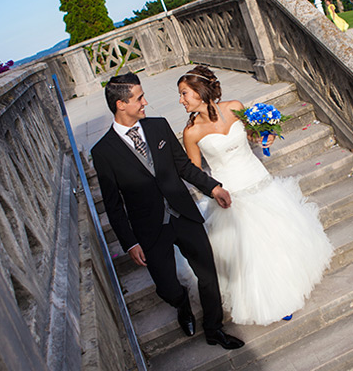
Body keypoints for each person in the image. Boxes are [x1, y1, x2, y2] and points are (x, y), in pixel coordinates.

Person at [90, 72, 244, 350]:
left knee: (208, 275)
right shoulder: (103, 151)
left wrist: (214, 188)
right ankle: (181, 303)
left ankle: (214, 328)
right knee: (167, 287)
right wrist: (130, 242)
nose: (145, 102)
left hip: (184, 215)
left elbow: (183, 167)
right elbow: (113, 204)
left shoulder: (159, 127)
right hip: (150, 228)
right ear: (121, 105)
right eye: (139, 98)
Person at [177, 65, 333, 326]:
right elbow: (194, 173)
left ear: (200, 91)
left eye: (184, 93)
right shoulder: (191, 132)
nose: (181, 100)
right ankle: (271, 300)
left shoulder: (234, 106)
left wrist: (266, 135)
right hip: (230, 194)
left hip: (259, 181)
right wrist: (213, 191)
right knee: (251, 252)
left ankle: (290, 286)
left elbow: (252, 134)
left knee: (278, 239)